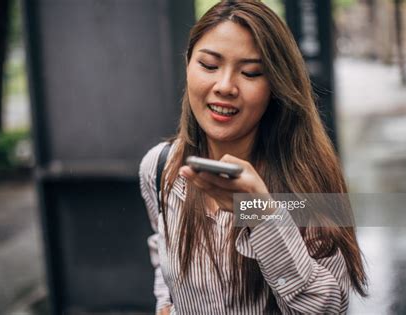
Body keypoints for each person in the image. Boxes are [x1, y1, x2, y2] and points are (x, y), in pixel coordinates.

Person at [139, 1, 368, 314]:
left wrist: (261, 212)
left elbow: (328, 307)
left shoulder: (307, 182)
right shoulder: (160, 167)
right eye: (208, 65)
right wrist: (166, 303)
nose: (224, 86)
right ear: (188, 64)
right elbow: (161, 244)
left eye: (250, 72)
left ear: (275, 85)